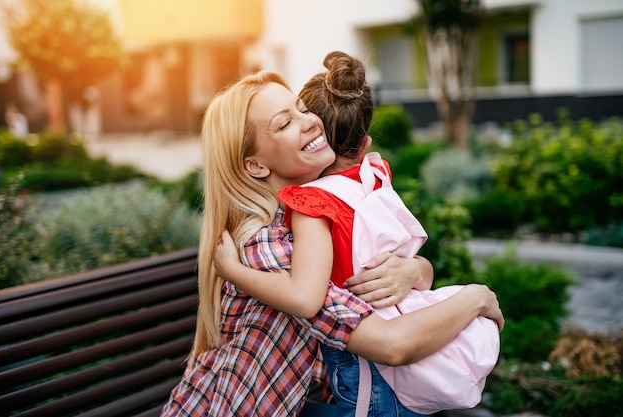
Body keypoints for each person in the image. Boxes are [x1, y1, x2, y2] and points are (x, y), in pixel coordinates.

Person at [162, 71, 503, 417]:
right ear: (254, 165)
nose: (310, 122)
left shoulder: (310, 211)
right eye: (284, 124)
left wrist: (414, 269)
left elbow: (381, 274)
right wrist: (477, 297)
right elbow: (392, 345)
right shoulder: (268, 248)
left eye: (302, 108)